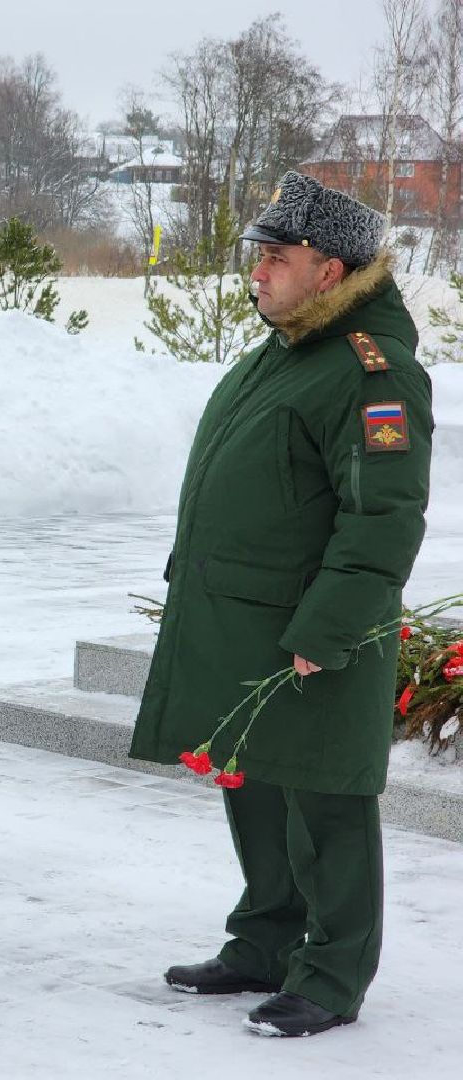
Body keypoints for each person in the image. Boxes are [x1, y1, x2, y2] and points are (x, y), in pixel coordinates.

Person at [130, 171, 433, 1037]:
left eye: (278, 256)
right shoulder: (288, 347)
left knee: (327, 800)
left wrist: (330, 627)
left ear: (330, 270)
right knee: (252, 782)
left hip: (310, 628)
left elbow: (383, 518)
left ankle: (333, 975)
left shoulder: (373, 373)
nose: (258, 271)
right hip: (245, 617)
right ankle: (265, 941)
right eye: (258, 254)